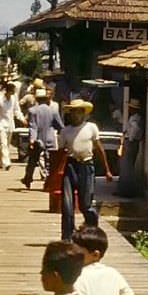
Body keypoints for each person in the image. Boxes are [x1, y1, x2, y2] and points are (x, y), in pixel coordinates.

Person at [59, 98, 113, 242]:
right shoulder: (65, 131)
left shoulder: (91, 128)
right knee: (67, 204)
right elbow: (61, 152)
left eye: (78, 112)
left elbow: (99, 149)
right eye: (72, 112)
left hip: (86, 166)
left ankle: (91, 231)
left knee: (86, 204)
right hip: (71, 166)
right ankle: (67, 236)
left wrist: (107, 169)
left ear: (83, 113)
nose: (75, 115)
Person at [22, 88, 64, 188]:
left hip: (38, 139)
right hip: (50, 138)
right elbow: (60, 125)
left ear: (36, 99)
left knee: (32, 160)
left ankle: (28, 178)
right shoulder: (53, 111)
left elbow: (33, 127)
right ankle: (48, 181)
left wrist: (32, 140)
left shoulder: (32, 111)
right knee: (49, 162)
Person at [0, 81, 25, 170]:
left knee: (6, 144)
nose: (12, 93)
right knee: (3, 144)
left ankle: (0, 162)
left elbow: (17, 110)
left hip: (10, 124)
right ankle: (6, 163)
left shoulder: (14, 99)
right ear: (7, 91)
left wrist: (22, 119)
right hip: (1, 124)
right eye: (11, 91)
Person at [117, 98, 145, 197]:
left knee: (126, 167)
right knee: (128, 166)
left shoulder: (134, 118)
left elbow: (135, 129)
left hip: (131, 143)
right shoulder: (137, 118)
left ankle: (126, 190)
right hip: (133, 143)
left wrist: (130, 138)